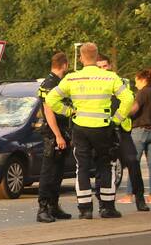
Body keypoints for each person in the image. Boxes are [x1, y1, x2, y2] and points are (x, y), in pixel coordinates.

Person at [46, 42, 134, 219]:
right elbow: (129, 98)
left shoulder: (72, 78)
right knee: (105, 165)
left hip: (81, 127)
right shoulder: (110, 77)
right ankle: (107, 207)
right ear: (97, 56)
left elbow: (50, 99)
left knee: (82, 167)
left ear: (81, 57)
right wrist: (116, 119)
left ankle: (85, 209)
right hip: (103, 127)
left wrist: (69, 112)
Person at [96, 54, 148, 211]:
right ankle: (103, 202)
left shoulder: (121, 82)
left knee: (132, 161)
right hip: (103, 130)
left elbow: (131, 103)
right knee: (103, 166)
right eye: (99, 67)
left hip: (122, 130)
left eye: (104, 66)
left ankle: (140, 198)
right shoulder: (95, 84)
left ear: (110, 66)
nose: (102, 70)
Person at [36, 52, 73, 223]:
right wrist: (58, 135)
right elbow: (49, 112)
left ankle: (53, 206)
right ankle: (42, 208)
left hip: (62, 131)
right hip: (53, 133)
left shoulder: (58, 82)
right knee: (49, 171)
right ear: (64, 65)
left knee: (58, 171)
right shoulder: (49, 84)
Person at [125, 68, 151, 205]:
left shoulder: (142, 92)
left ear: (143, 79)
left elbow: (134, 109)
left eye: (136, 81)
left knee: (133, 163)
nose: (136, 84)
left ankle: (129, 195)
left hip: (140, 131)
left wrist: (124, 114)